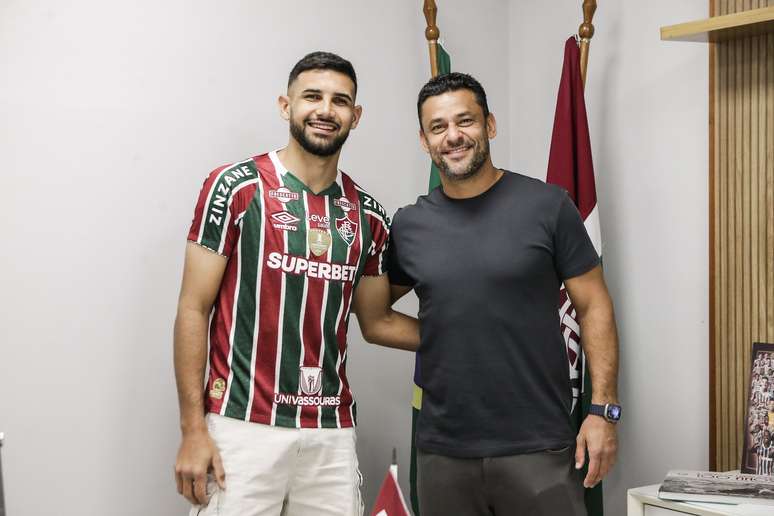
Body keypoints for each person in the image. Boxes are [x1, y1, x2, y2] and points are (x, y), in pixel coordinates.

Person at [173, 51, 419, 516]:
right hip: (242, 425)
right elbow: (192, 309)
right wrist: (192, 428)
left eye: (340, 101)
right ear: (286, 106)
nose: (326, 110)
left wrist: (469, 337)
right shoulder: (234, 187)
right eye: (313, 97)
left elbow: (377, 320)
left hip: (330, 428)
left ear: (355, 116)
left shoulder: (368, 215)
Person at [387, 72, 620, 515]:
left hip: (539, 447)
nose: (453, 136)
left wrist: (603, 410)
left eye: (465, 121)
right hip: (443, 451)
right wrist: (446, 334)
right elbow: (376, 317)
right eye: (438, 127)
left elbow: (593, 305)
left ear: (489, 125)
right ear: (424, 140)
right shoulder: (409, 225)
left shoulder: (548, 207)